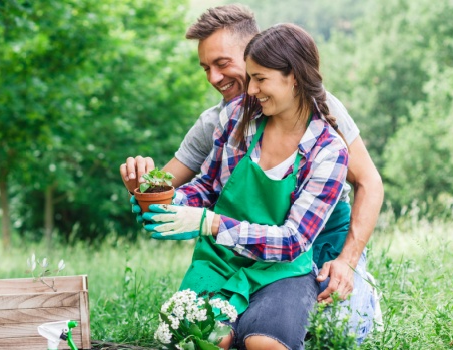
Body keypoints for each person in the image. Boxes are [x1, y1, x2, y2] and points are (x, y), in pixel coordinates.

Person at [120, 4, 382, 344]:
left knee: (337, 331)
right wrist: (149, 194)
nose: (214, 77)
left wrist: (346, 261)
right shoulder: (229, 118)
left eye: (223, 64)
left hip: (316, 243)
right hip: (236, 248)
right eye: (205, 68)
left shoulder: (325, 125)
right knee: (204, 337)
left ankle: (360, 292)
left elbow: (369, 184)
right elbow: (187, 186)